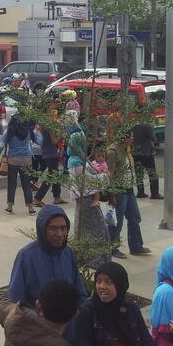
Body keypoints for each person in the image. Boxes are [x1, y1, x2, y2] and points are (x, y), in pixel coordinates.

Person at [75, 261, 162, 346]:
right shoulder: (88, 311)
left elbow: (147, 343)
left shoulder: (131, 310)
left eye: (108, 282)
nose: (102, 286)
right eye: (98, 281)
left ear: (120, 284)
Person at [7, 204, 88, 310]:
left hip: (68, 323)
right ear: (42, 229)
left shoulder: (67, 253)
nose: (59, 234)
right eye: (52, 228)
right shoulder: (27, 257)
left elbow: (79, 293)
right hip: (38, 324)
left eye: (63, 228)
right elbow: (16, 301)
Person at [63, 110, 110, 268]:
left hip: (86, 199)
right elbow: (85, 181)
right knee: (92, 230)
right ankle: (93, 260)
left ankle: (94, 259)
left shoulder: (79, 158)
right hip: (86, 200)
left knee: (90, 229)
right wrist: (105, 177)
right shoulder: (75, 161)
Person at [106, 130, 151, 259]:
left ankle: (136, 246)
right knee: (115, 221)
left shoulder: (126, 150)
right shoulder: (112, 152)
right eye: (131, 136)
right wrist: (112, 194)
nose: (133, 138)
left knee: (134, 218)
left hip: (129, 189)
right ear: (125, 138)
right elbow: (110, 175)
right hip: (119, 191)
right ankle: (112, 248)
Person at [0, 114, 37, 215]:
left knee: (12, 184)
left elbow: (0, 145)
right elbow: (38, 140)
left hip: (13, 159)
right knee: (26, 185)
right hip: (26, 159)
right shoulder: (28, 130)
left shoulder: (10, 131)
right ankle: (30, 208)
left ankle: (9, 207)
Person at [33, 123, 69, 206]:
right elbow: (54, 141)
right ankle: (38, 197)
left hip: (46, 152)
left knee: (54, 174)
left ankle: (57, 197)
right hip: (51, 153)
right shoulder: (49, 127)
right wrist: (60, 136)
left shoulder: (41, 126)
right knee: (51, 176)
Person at [132, 121, 162, 199]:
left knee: (139, 174)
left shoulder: (132, 126)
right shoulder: (147, 126)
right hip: (147, 152)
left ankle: (140, 192)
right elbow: (153, 138)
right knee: (152, 174)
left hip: (136, 153)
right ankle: (155, 193)